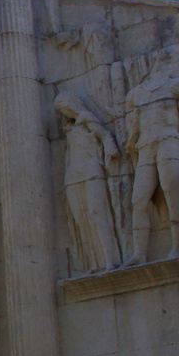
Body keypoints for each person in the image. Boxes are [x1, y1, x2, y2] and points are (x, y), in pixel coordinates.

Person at [123, 45, 179, 265]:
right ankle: (140, 253)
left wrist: (174, 133)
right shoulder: (136, 93)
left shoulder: (176, 86)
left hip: (168, 141)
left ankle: (176, 247)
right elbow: (132, 123)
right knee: (139, 199)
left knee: (172, 190)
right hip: (146, 146)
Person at [55, 90, 123, 273]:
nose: (64, 112)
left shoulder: (86, 117)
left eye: (64, 107)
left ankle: (110, 259)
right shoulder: (69, 128)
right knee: (81, 219)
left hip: (91, 169)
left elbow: (105, 136)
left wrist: (111, 151)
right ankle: (94, 262)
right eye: (61, 110)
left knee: (97, 213)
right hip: (73, 175)